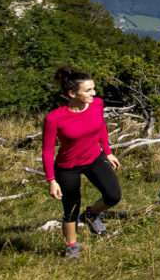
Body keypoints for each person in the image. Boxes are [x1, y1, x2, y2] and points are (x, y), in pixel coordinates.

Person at [42, 66, 122, 259]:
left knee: (113, 196)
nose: (93, 93)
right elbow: (47, 150)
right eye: (88, 90)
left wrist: (108, 151)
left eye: (93, 89)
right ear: (72, 93)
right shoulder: (55, 118)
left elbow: (101, 126)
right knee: (71, 208)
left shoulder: (96, 104)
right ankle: (72, 246)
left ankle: (91, 214)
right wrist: (51, 180)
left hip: (94, 158)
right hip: (68, 167)